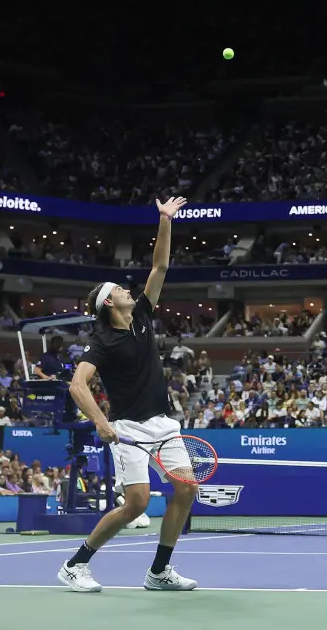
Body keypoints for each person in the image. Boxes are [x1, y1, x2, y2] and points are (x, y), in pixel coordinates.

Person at [57, 196, 198, 594]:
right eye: (119, 288)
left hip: (163, 422)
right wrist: (100, 423)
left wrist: (165, 220)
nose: (127, 289)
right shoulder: (101, 341)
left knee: (187, 490)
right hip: (129, 427)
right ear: (108, 303)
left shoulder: (141, 315)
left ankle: (159, 572)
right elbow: (77, 384)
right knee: (136, 503)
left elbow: (160, 265)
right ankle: (74, 564)